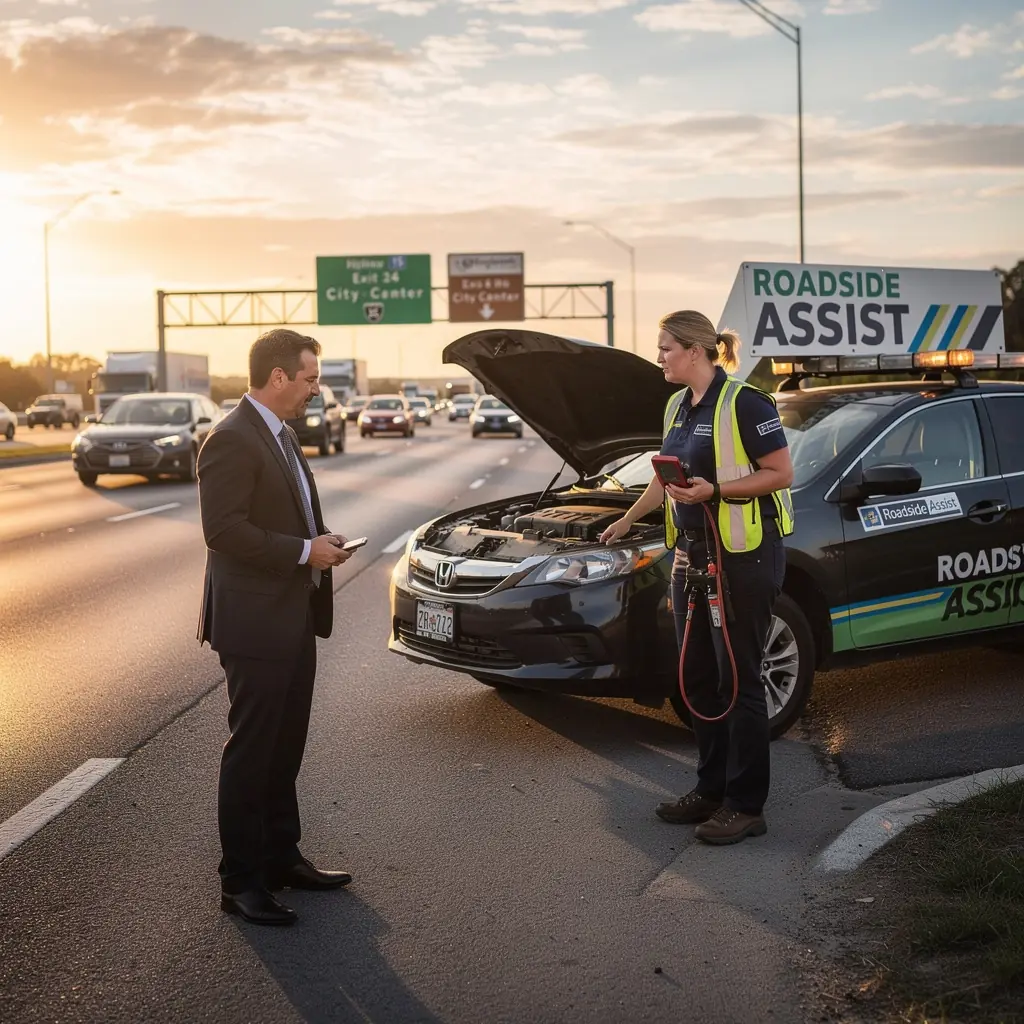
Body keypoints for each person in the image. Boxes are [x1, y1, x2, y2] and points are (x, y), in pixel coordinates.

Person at [600, 310, 794, 845]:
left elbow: (780, 473)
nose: (658, 357)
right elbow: (665, 478)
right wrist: (626, 519)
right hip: (691, 557)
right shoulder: (675, 405)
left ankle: (746, 805)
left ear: (694, 351)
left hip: (743, 557)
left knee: (740, 680)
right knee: (699, 679)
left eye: (664, 348)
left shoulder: (746, 402)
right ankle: (710, 791)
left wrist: (715, 491)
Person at [197, 328, 355, 925]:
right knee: (252, 752)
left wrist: (321, 542)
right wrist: (300, 552)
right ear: (280, 377)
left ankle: (281, 858)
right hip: (255, 621)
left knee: (284, 748)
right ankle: (239, 881)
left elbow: (292, 516)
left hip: (292, 615)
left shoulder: (282, 435)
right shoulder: (232, 438)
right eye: (310, 378)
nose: (317, 388)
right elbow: (224, 531)